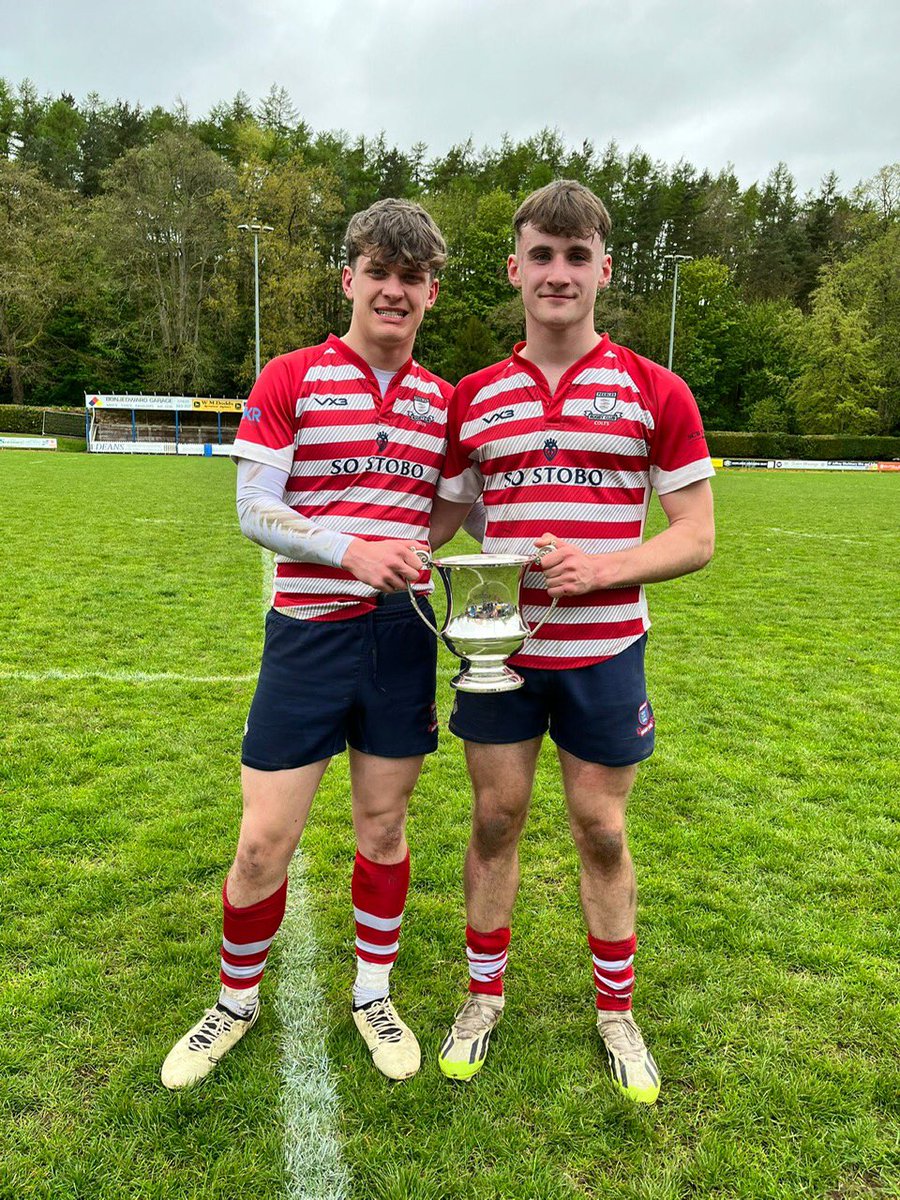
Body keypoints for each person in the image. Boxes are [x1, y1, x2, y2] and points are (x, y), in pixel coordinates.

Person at [428, 180, 715, 1104]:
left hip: (603, 647)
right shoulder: (473, 397)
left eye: (576, 255)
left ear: (602, 270)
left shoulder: (653, 389)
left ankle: (616, 1010)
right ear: (514, 269)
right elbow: (437, 521)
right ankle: (481, 999)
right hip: (497, 654)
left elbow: (696, 535)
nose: (558, 273)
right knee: (494, 820)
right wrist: (342, 534)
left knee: (600, 826)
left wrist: (604, 566)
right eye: (541, 256)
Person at [161, 199, 451, 1089]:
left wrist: (421, 549)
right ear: (350, 280)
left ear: (430, 293)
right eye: (379, 272)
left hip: (401, 641)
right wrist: (353, 549)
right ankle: (234, 1002)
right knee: (262, 845)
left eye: (411, 277)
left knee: (385, 827)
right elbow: (254, 509)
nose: (393, 290)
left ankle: (373, 993)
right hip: (306, 639)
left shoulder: (445, 401)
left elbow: (460, 503)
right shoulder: (291, 376)